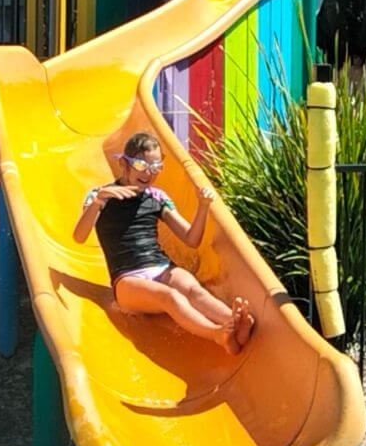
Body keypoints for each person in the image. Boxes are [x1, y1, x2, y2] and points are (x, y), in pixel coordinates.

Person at [73, 132, 255, 354]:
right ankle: (217, 334)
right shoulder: (99, 196)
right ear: (124, 163)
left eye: (156, 167)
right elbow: (79, 236)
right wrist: (99, 200)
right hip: (128, 279)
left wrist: (203, 207)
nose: (149, 173)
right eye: (141, 165)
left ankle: (234, 322)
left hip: (161, 267)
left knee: (192, 290)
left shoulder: (156, 197)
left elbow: (191, 239)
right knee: (170, 296)